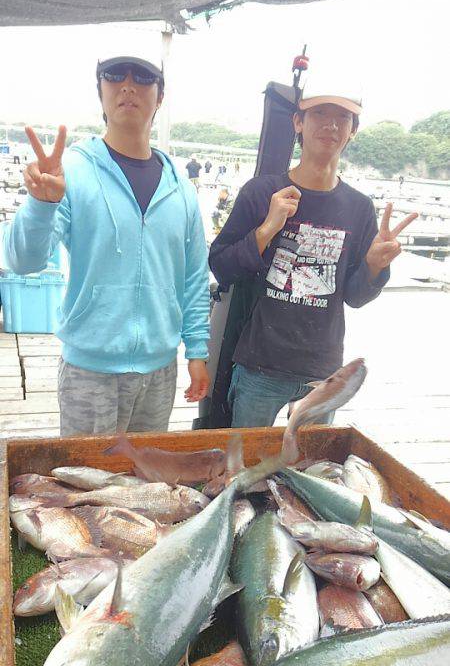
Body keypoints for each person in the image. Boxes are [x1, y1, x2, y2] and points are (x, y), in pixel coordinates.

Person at [1, 55, 210, 436]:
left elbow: (194, 278)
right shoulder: (73, 171)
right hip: (89, 370)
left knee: (146, 484)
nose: (128, 85)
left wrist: (196, 350)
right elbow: (22, 261)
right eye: (114, 76)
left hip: (160, 371)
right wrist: (41, 203)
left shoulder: (182, 188)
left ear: (159, 98)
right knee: (85, 486)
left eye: (144, 78)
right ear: (100, 94)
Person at [209, 87, 418, 429]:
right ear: (298, 122)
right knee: (245, 466)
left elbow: (354, 296)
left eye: (342, 117)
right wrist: (266, 229)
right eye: (319, 114)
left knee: (310, 466)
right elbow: (221, 265)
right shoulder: (262, 192)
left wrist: (375, 266)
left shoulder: (359, 207)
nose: (331, 125)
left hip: (322, 371)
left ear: (353, 130)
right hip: (260, 363)